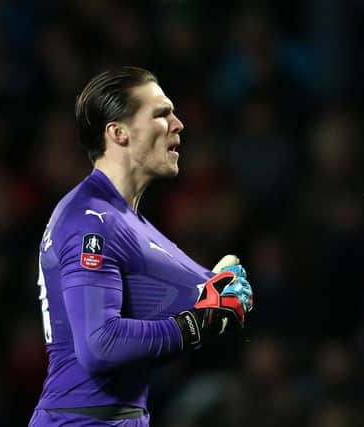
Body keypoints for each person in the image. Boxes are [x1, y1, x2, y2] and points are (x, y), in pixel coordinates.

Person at [29, 66, 254, 427]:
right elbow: (99, 344)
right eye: (162, 114)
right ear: (118, 133)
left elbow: (196, 297)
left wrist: (222, 293)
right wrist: (199, 320)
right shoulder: (91, 219)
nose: (178, 124)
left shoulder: (128, 223)